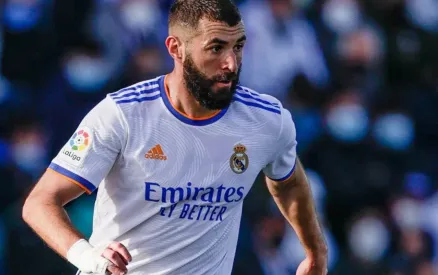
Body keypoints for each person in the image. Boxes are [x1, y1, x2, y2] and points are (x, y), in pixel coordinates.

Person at [22, 0, 328, 274]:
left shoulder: (267, 121)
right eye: (216, 48)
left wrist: (315, 251)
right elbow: (40, 202)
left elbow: (287, 181)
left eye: (238, 47)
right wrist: (88, 257)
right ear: (175, 48)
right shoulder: (123, 115)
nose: (231, 64)